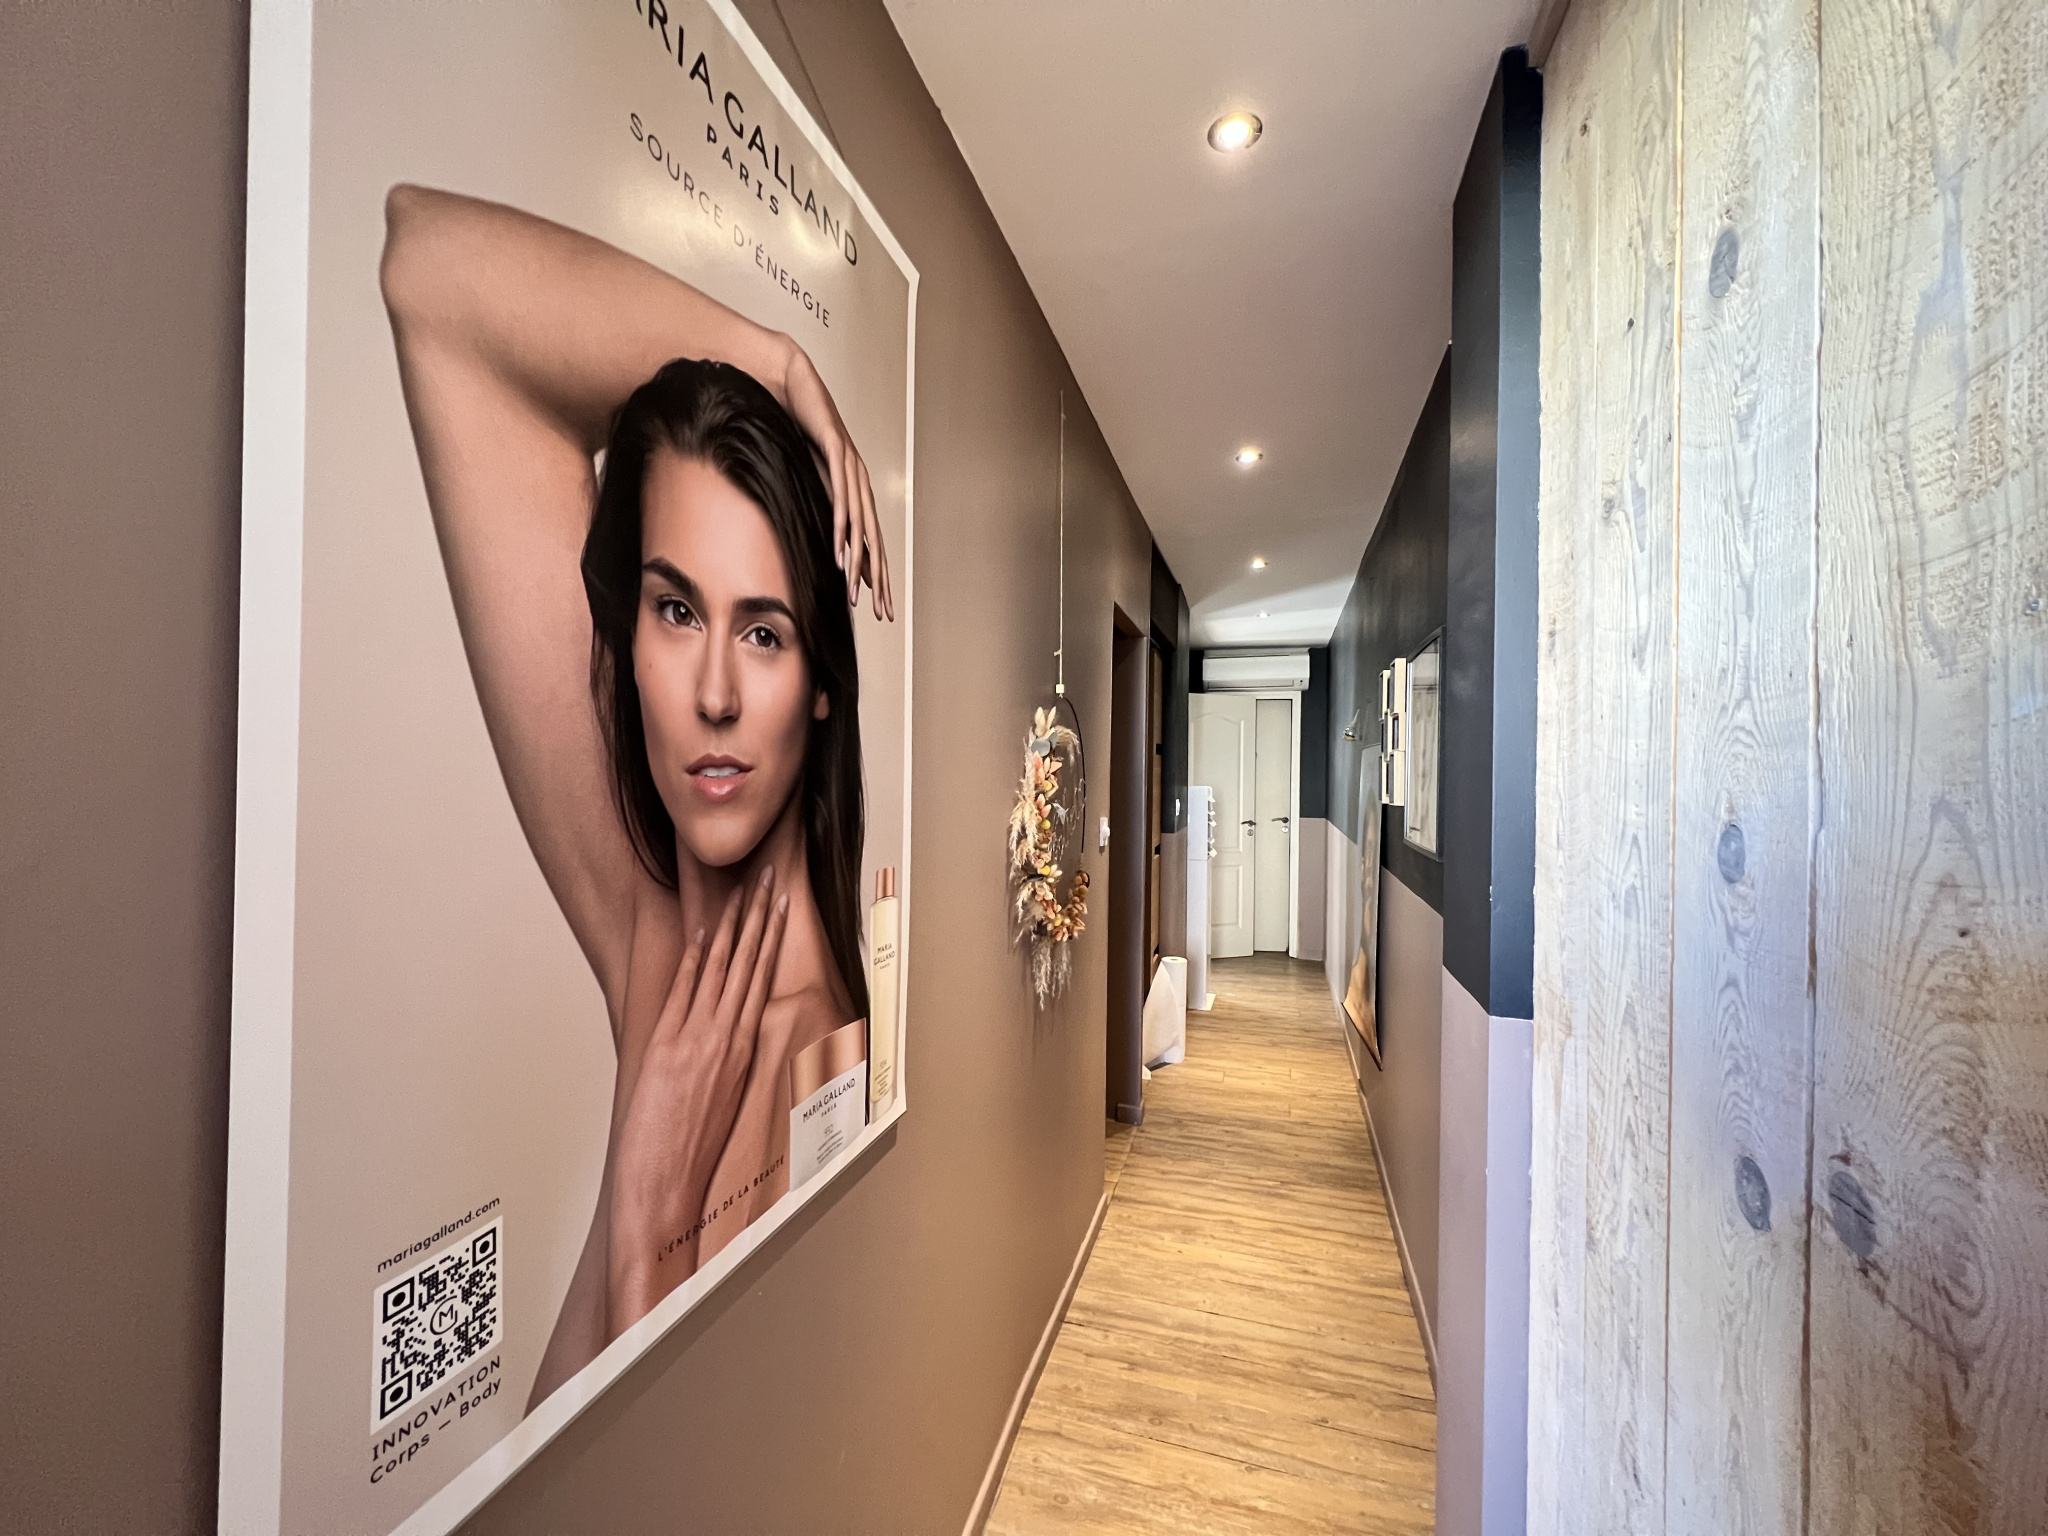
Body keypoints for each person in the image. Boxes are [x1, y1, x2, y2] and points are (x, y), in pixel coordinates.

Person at [379, 185, 894, 1407]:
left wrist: (650, 1222)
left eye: (763, 632)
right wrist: (774, 362)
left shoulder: (805, 1048)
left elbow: (712, 1471)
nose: (712, 695)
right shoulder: (660, 926)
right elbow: (428, 267)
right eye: (674, 610)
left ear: (822, 682)